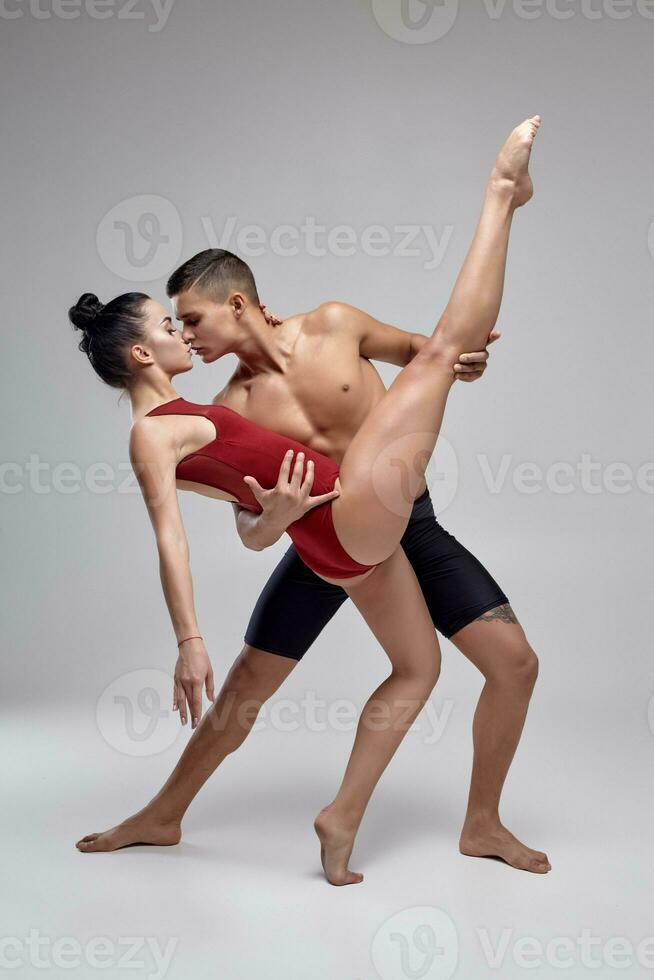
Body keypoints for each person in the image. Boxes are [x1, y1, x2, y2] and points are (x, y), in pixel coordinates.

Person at [75, 117, 548, 883]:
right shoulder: (227, 407)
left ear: (238, 304)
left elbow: (431, 353)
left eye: (190, 319)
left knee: (511, 665)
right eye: (174, 328)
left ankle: (482, 822)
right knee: (245, 690)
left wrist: (462, 362)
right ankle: (163, 813)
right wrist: (274, 522)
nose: (187, 339)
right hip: (323, 539)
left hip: (404, 523)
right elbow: (247, 534)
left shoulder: (334, 325)